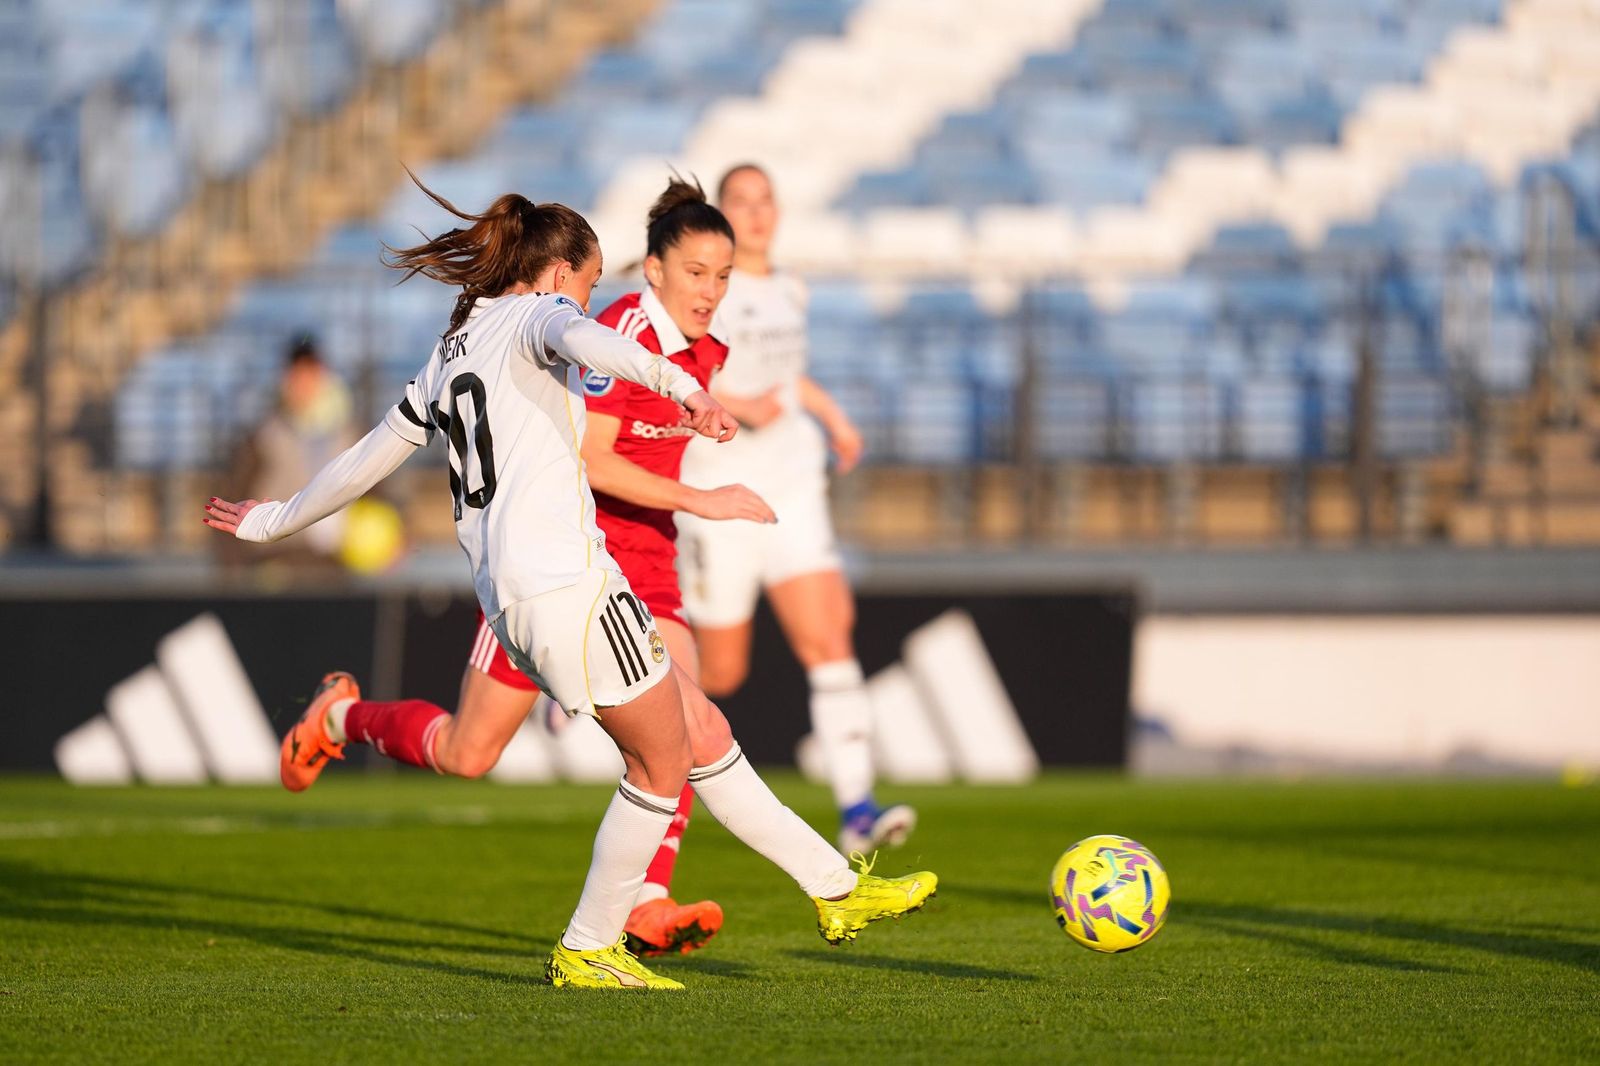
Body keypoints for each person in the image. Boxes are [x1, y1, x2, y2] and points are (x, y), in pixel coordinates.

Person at [201, 176, 936, 991]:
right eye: (587, 288)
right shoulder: (540, 316)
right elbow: (599, 347)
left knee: (698, 730)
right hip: (565, 586)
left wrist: (272, 521)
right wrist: (684, 389)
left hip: (525, 594)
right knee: (661, 766)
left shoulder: (447, 356)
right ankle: (590, 946)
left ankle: (837, 889)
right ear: (558, 278)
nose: (587, 304)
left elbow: (365, 458)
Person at [677, 163, 915, 854]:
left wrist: (833, 417)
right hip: (722, 492)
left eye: (764, 200)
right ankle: (601, 678)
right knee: (720, 673)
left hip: (791, 483)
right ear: (720, 214)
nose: (755, 213)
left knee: (828, 637)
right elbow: (672, 368)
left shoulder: (789, 286)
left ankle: (858, 810)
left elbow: (787, 373)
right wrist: (730, 403)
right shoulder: (707, 291)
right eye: (740, 202)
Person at [223, 333, 357, 571]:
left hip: (334, 565)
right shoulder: (264, 436)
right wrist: (234, 567)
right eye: (297, 374)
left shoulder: (351, 434)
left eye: (310, 372)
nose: (303, 382)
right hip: (275, 562)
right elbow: (232, 497)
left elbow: (377, 492)